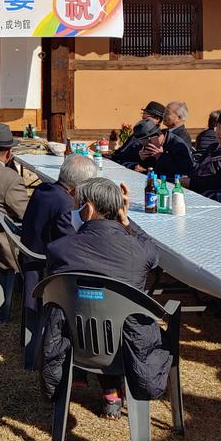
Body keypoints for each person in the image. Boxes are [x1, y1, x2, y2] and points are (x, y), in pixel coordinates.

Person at [44, 178, 161, 418]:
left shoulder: (59, 249)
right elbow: (153, 252)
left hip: (73, 342)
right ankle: (112, 389)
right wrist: (126, 220)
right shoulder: (140, 252)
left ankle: (78, 376)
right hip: (129, 346)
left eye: (77, 206)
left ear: (87, 209)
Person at [21, 154, 97, 258]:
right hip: (43, 265)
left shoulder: (42, 188)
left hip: (28, 255)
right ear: (80, 188)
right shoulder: (67, 206)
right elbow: (72, 247)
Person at [126, 121, 194, 180]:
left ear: (151, 138)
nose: (143, 144)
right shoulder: (153, 145)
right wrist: (142, 161)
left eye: (143, 141)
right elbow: (148, 168)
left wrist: (160, 156)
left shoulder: (177, 145)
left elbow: (181, 172)